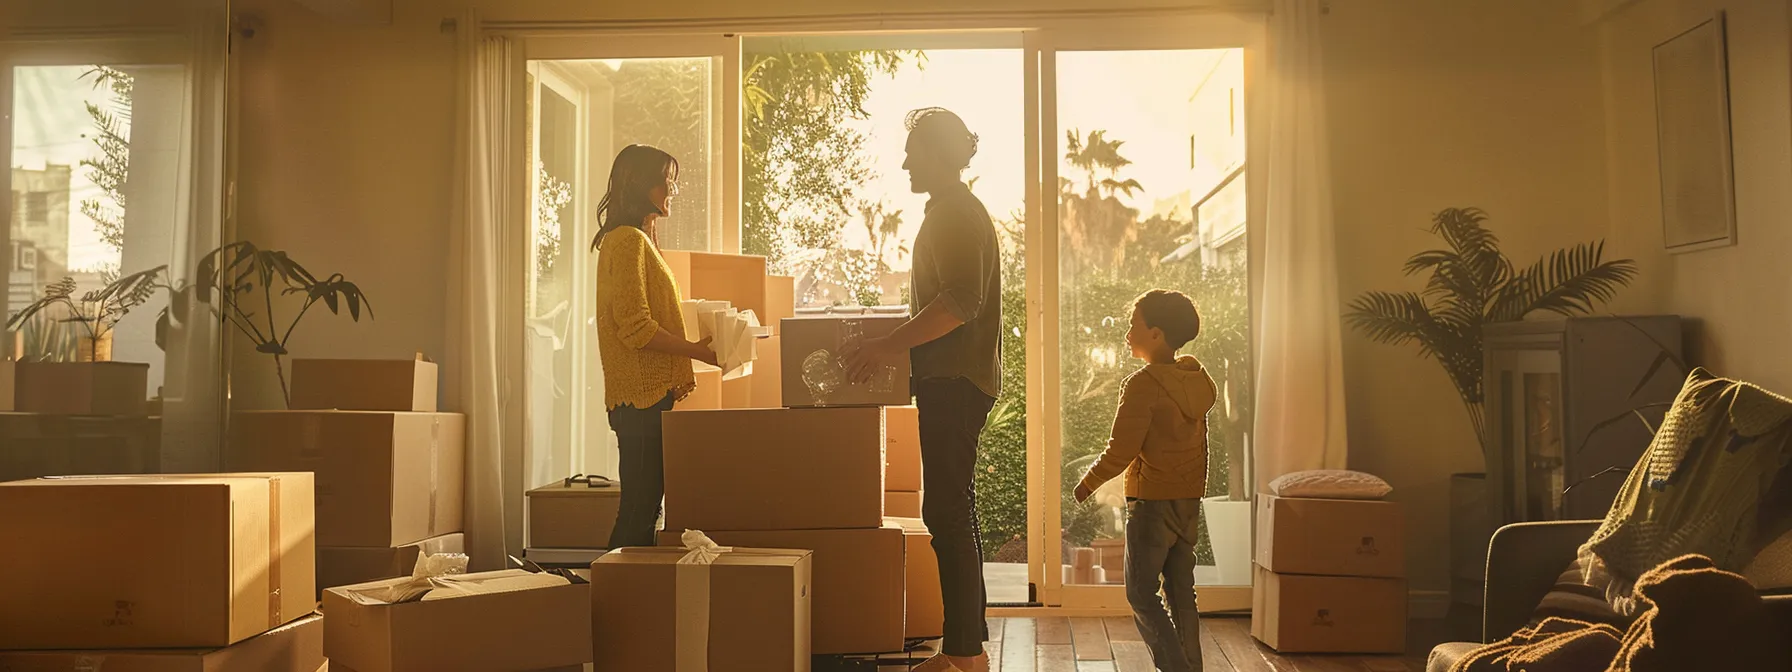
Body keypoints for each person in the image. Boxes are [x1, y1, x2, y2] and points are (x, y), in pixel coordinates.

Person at [846, 107, 1001, 672]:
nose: (906, 161)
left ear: (940, 154)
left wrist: (888, 346)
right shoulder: (949, 212)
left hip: (956, 382)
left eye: (914, 151)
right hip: (953, 381)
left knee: (949, 514)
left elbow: (961, 302)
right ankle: (966, 649)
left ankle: (964, 655)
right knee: (953, 511)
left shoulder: (957, 213)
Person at [1074, 289, 1216, 672]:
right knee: (1182, 593)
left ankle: (1176, 668)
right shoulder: (1196, 380)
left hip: (1151, 503)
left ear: (1156, 334)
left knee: (1141, 593)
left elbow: (1121, 449)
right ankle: (1192, 666)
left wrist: (1086, 484)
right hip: (1187, 502)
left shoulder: (1144, 384)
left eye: (1134, 324)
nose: (1127, 332)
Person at [592, 144, 717, 550]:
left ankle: (627, 596)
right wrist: (696, 351)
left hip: (646, 398)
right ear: (641, 184)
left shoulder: (637, 239)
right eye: (667, 181)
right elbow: (635, 326)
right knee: (638, 509)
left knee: (645, 508)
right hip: (639, 399)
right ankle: (611, 600)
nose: (673, 190)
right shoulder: (627, 241)